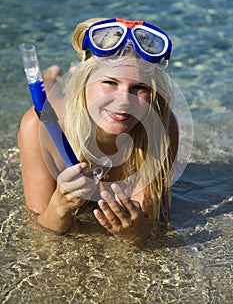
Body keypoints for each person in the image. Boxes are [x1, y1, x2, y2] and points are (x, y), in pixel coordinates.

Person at [18, 17, 178, 246]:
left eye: (139, 87)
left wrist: (136, 233)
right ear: (85, 82)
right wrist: (60, 204)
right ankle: (51, 76)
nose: (123, 100)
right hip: (64, 111)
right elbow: (39, 224)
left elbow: (149, 221)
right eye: (110, 83)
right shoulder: (39, 126)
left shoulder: (161, 125)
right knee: (52, 92)